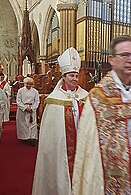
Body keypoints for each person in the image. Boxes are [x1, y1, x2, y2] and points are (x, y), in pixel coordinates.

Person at [72, 35, 131, 195]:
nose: (129, 60)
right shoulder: (97, 98)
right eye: (125, 55)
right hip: (108, 181)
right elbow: (89, 150)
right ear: (111, 59)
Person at [32, 47, 88, 195]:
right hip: (62, 152)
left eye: (76, 75)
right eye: (71, 75)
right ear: (63, 77)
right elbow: (50, 138)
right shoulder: (53, 100)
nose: (75, 79)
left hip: (82, 148)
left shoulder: (86, 96)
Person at [16, 77, 40, 146]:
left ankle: (32, 138)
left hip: (31, 109)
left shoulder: (35, 91)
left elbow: (37, 101)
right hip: (23, 110)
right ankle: (25, 137)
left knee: (32, 124)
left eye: (30, 84)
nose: (29, 85)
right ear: (24, 83)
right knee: (23, 124)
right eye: (27, 84)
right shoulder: (20, 90)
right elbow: (18, 100)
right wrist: (25, 108)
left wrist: (32, 108)